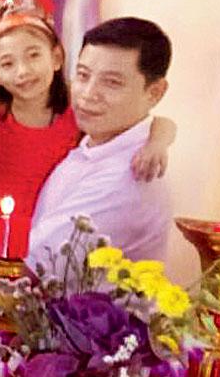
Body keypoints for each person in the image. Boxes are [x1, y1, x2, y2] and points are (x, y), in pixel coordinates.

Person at [0, 12, 174, 266]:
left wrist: (158, 143)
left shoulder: (74, 113)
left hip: (31, 231)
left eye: (33, 55)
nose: (23, 71)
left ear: (56, 57)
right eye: (8, 63)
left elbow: (159, 122)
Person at [29, 17, 174, 266]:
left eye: (112, 82)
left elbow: (39, 265)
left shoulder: (130, 173)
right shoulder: (96, 143)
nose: (88, 94)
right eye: (83, 75)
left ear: (155, 92)